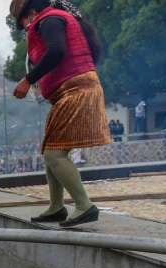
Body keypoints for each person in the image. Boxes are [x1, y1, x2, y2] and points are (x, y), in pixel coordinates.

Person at [12, 0, 110, 227]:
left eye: (24, 22)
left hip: (77, 90)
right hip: (69, 91)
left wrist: (28, 80)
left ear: (32, 13)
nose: (26, 27)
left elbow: (56, 51)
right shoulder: (52, 19)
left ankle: (84, 205)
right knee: (50, 151)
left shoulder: (49, 19)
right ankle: (56, 207)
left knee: (55, 155)